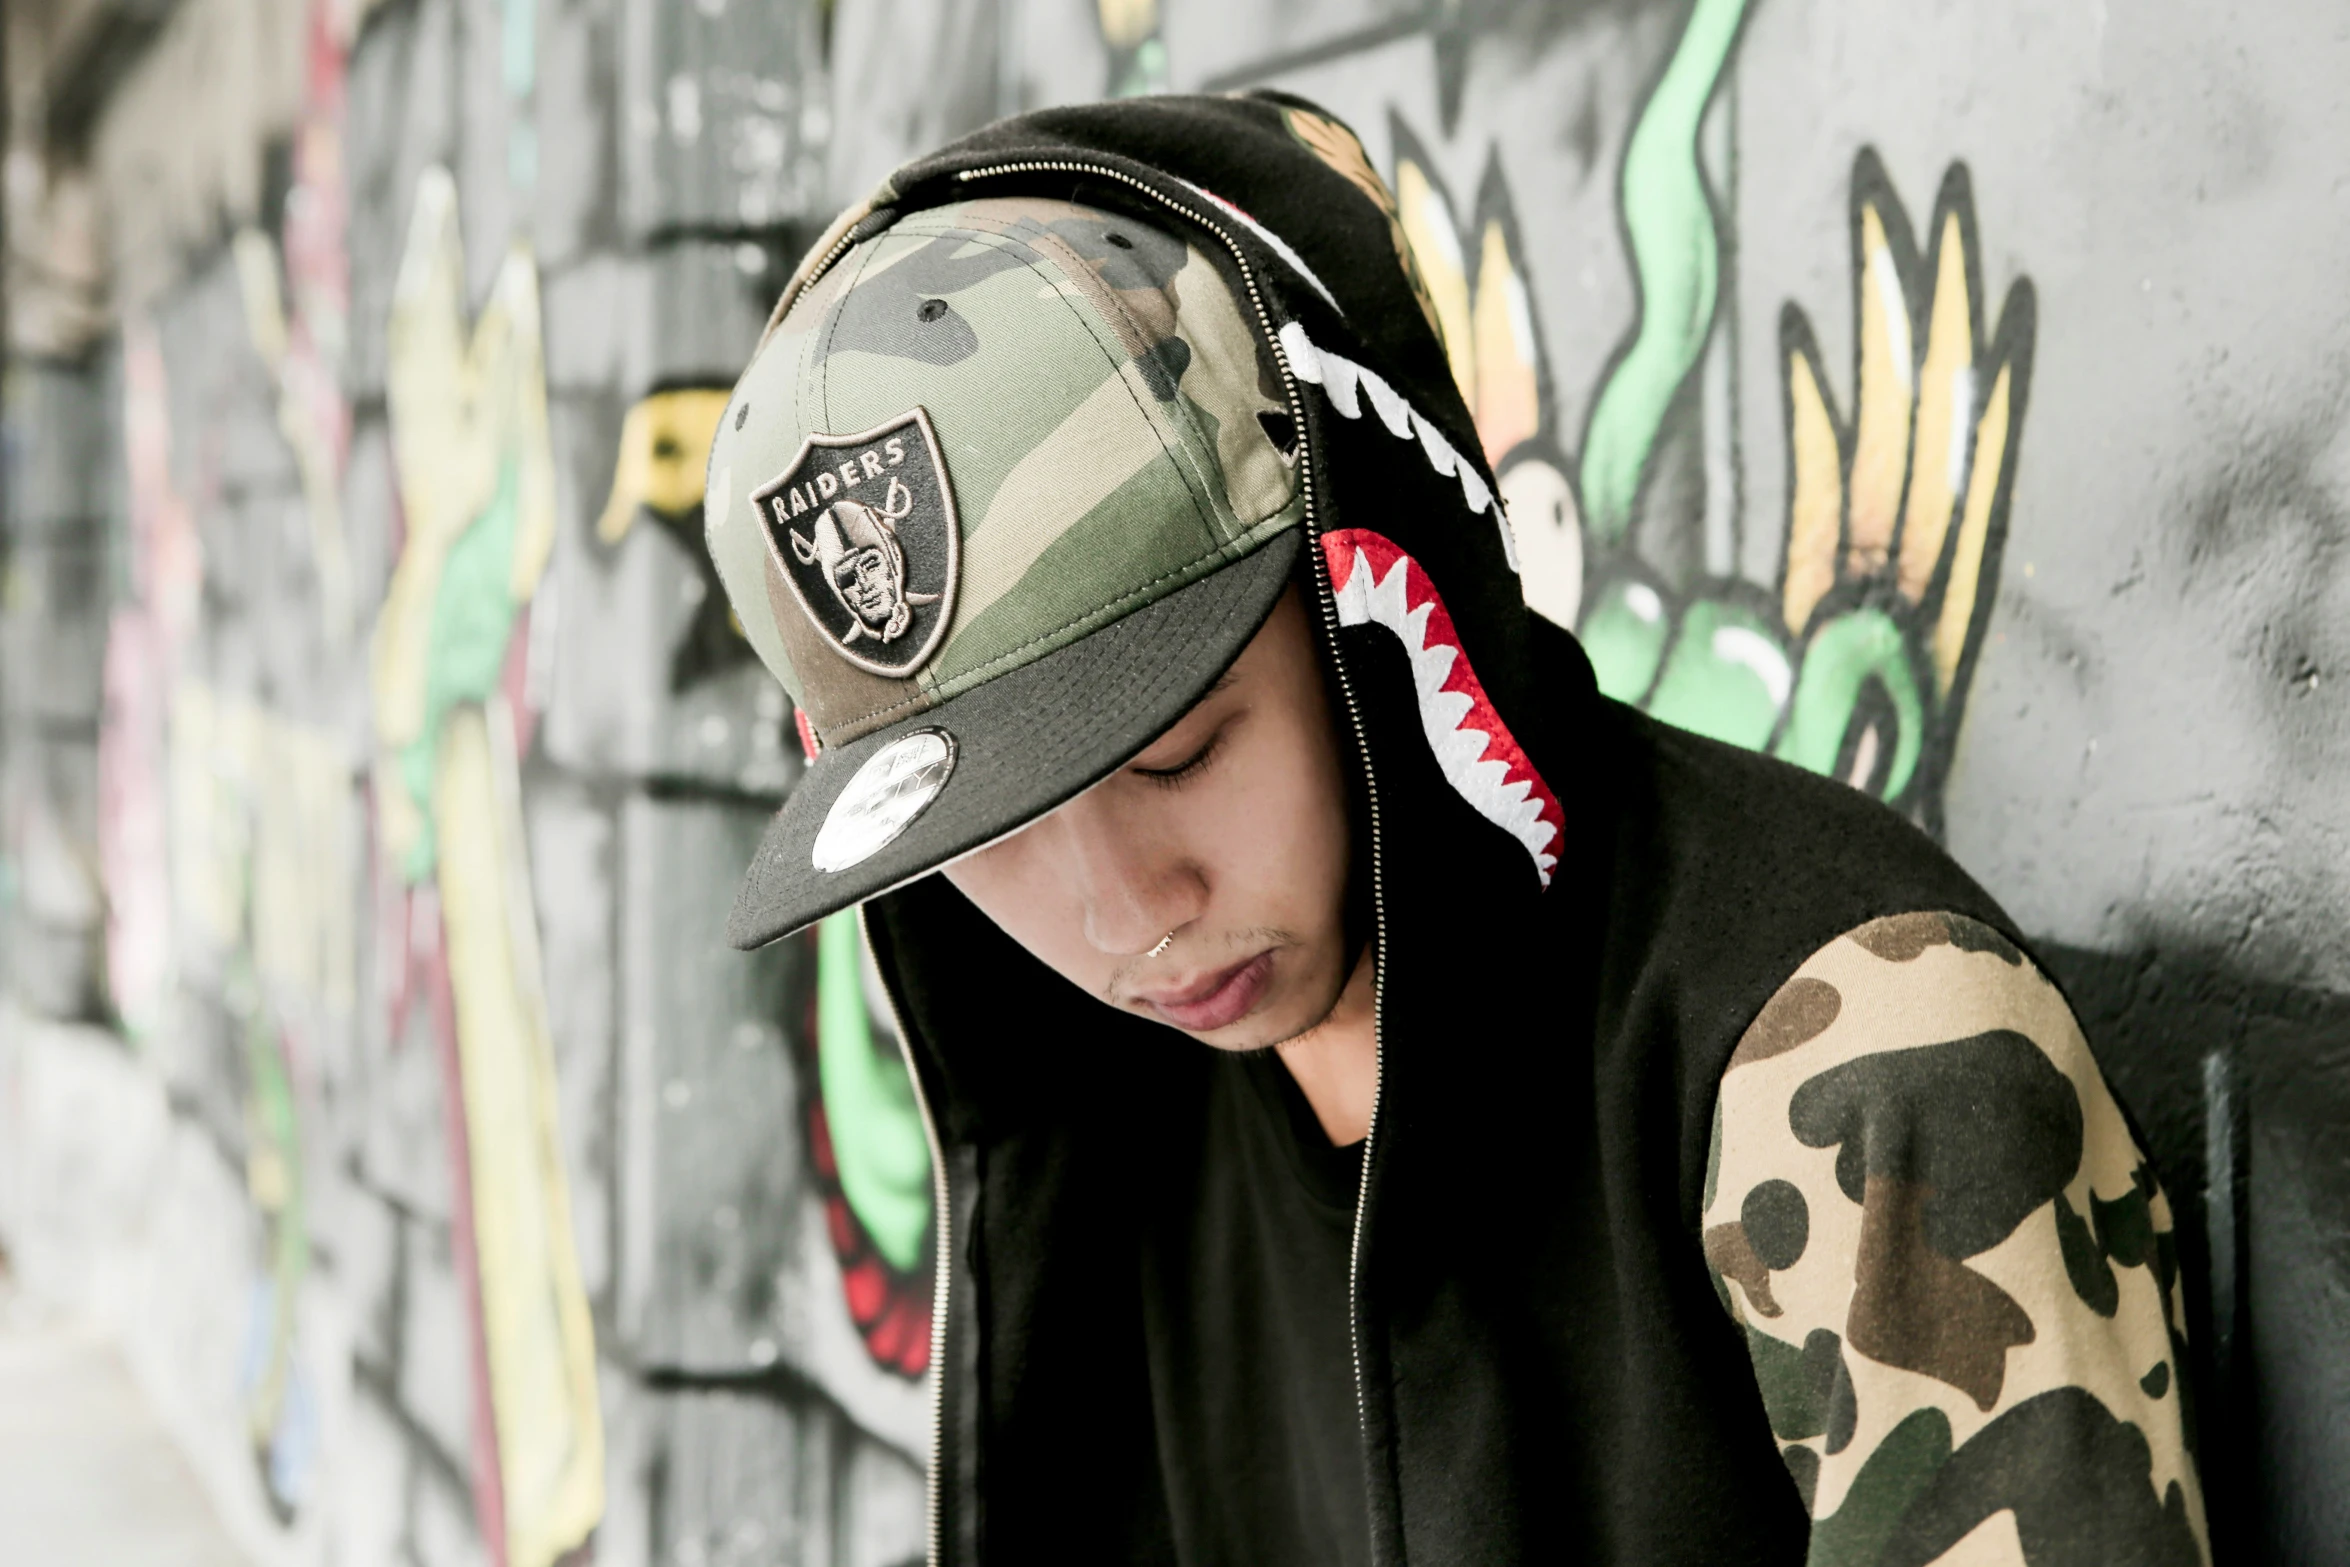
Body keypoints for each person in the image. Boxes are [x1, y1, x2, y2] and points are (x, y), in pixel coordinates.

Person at [700, 93, 2208, 1567]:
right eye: (992, 828)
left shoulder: (1853, 1051)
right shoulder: (1106, 1119)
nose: (1122, 911)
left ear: (1370, 595)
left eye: (1177, 754)